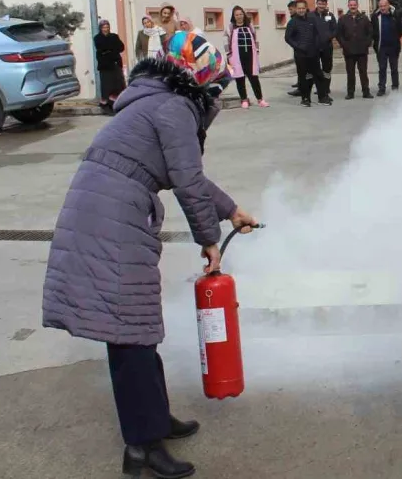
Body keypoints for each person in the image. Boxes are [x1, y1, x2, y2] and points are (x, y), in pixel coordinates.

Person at [42, 29, 259, 479]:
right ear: (197, 80)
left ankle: (155, 420)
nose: (216, 93)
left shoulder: (157, 99)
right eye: (214, 84)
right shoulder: (176, 106)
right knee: (130, 334)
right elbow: (185, 180)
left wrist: (231, 210)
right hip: (111, 215)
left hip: (105, 208)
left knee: (135, 330)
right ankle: (143, 449)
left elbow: (189, 177)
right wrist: (209, 241)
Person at [285, 0, 331, 106]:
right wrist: (298, 46)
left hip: (313, 53)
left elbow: (318, 34)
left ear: (306, 8)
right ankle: (305, 99)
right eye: (299, 8)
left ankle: (322, 97)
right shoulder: (292, 22)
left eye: (303, 8)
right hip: (300, 55)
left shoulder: (312, 20)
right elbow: (288, 38)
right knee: (303, 77)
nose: (301, 10)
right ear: (296, 9)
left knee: (318, 75)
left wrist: (317, 46)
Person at [225, 6, 267, 109]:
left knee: (254, 79)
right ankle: (244, 100)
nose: (239, 16)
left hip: (250, 56)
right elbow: (225, 41)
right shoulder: (230, 28)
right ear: (234, 16)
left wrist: (257, 51)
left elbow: (256, 39)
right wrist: (228, 54)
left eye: (240, 14)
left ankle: (260, 99)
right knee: (240, 79)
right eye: (237, 15)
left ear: (244, 15)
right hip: (236, 57)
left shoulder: (250, 26)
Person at [335, 0, 373, 99]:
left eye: (354, 5)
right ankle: (350, 93)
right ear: (348, 6)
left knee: (363, 73)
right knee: (350, 73)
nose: (353, 7)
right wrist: (344, 45)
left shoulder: (364, 18)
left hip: (362, 51)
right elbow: (339, 34)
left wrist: (366, 44)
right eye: (351, 5)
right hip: (349, 51)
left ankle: (366, 92)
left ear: (357, 5)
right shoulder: (342, 19)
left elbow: (370, 33)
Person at [371, 0, 402, 96]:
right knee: (382, 68)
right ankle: (381, 88)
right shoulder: (375, 16)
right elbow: (372, 30)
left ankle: (395, 86)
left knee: (394, 68)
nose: (382, 8)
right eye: (380, 6)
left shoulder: (395, 15)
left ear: (388, 5)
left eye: (384, 6)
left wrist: (395, 39)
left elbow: (400, 30)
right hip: (381, 47)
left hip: (393, 47)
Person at [94, 19, 126, 114]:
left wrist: (109, 50)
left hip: (115, 64)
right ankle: (106, 106)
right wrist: (111, 49)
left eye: (107, 27)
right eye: (104, 27)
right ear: (100, 28)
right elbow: (101, 48)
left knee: (118, 85)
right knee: (107, 86)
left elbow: (121, 47)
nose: (106, 29)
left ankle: (117, 104)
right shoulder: (97, 38)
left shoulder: (114, 36)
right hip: (105, 66)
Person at [314, 0, 337, 97]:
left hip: (327, 47)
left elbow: (335, 29)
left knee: (327, 69)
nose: (321, 6)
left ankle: (326, 88)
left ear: (326, 4)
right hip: (314, 47)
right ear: (316, 3)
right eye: (320, 3)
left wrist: (329, 37)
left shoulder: (330, 15)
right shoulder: (310, 15)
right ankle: (319, 88)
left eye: (323, 4)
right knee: (316, 69)